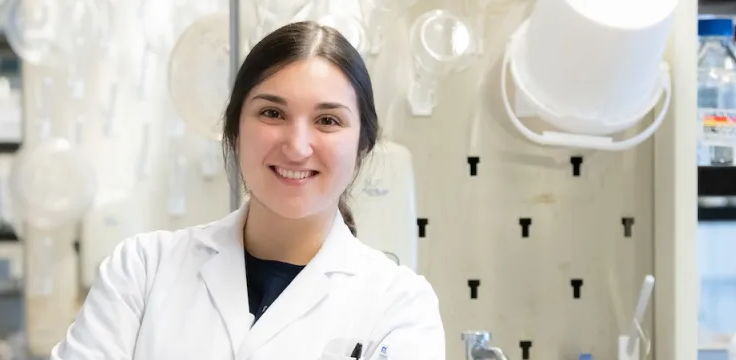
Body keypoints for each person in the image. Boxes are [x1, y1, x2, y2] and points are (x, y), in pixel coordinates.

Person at [51, 21, 446, 359]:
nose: (297, 146)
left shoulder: (400, 306)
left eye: (327, 120)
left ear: (362, 146)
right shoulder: (141, 270)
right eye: (272, 113)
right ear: (235, 130)